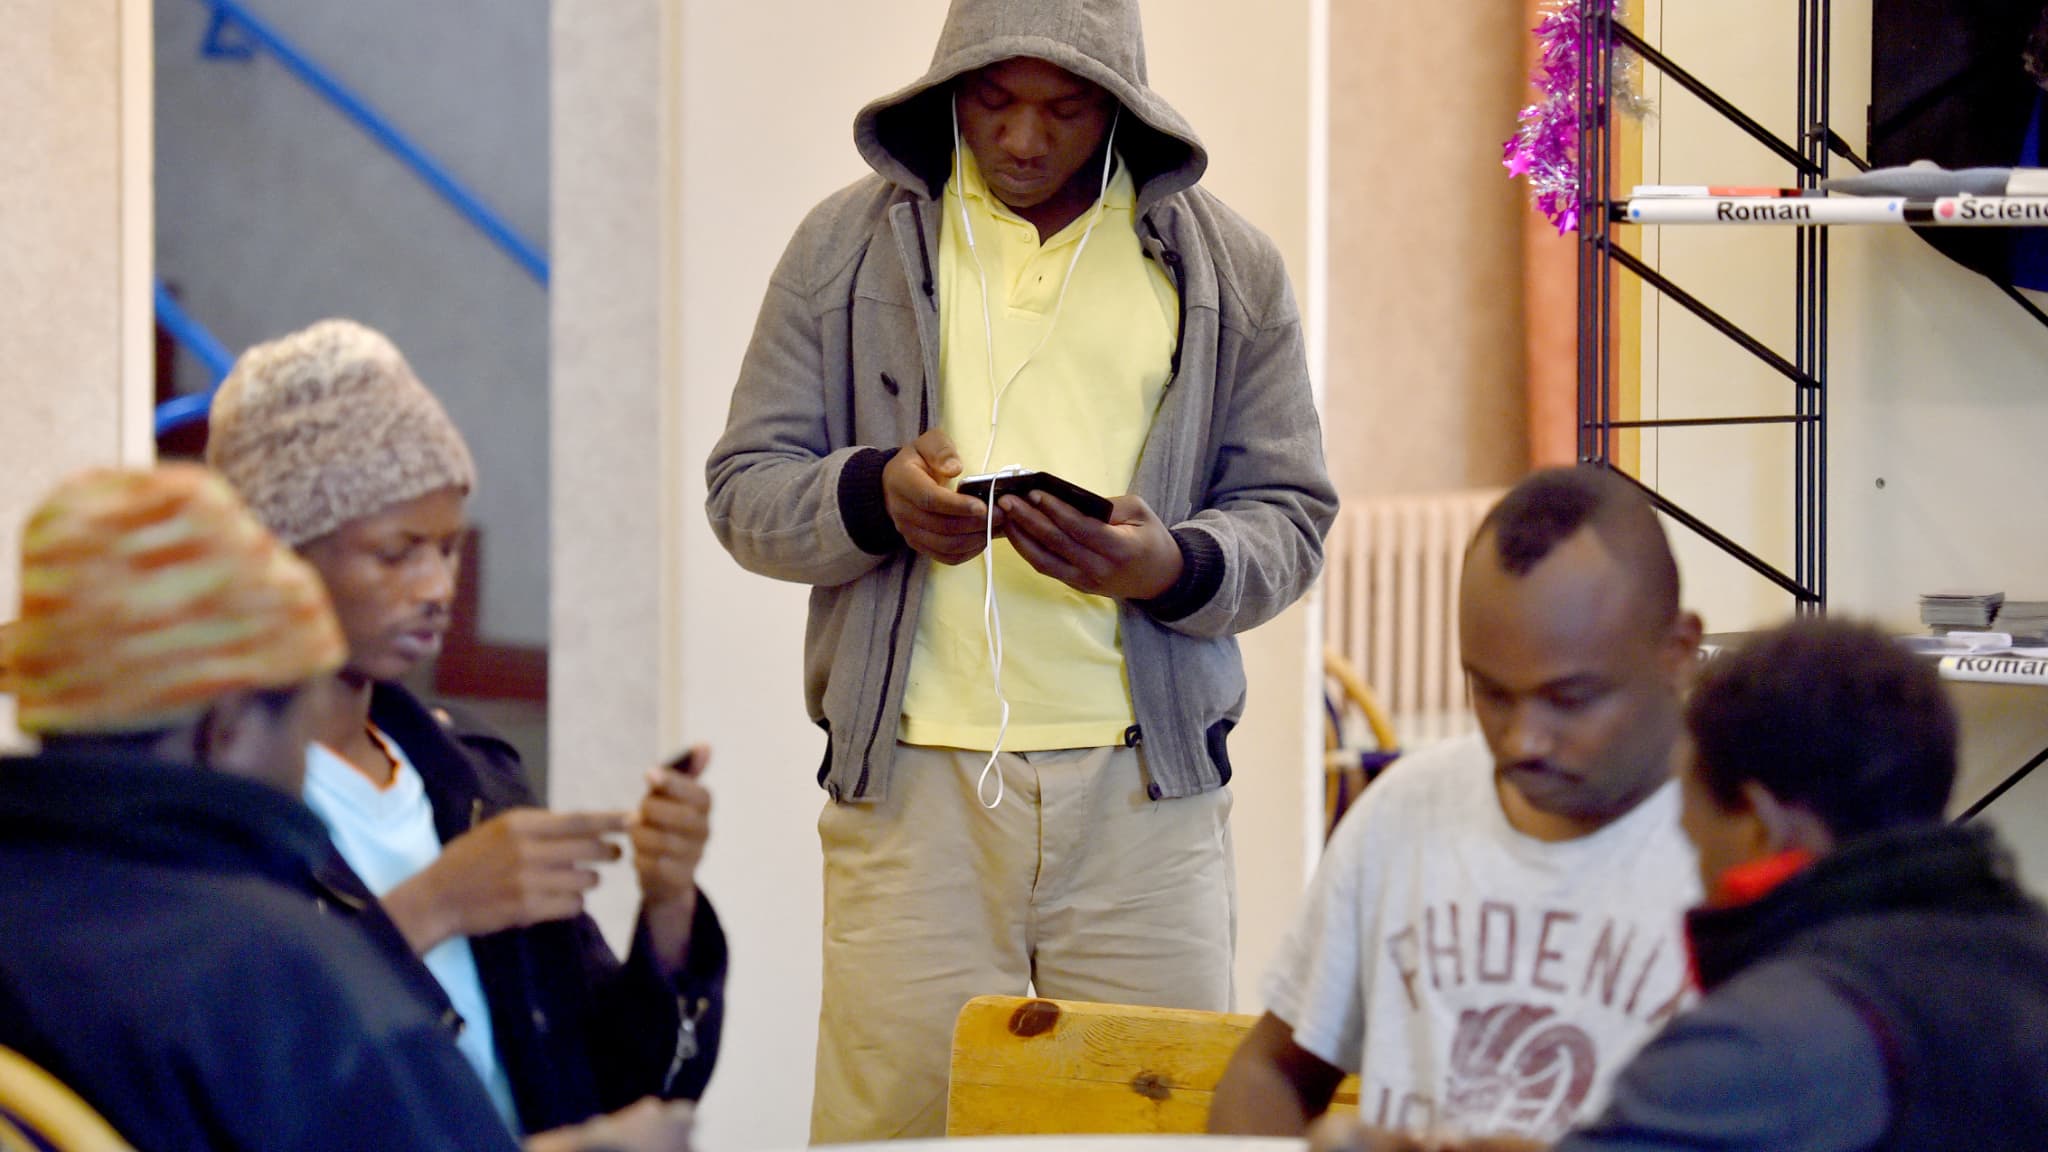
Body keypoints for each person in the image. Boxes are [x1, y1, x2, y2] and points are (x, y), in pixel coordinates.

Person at [705, 0, 1337, 1139]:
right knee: (892, 1135)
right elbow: (742, 489)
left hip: (1147, 802)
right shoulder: (841, 249)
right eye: (994, 103)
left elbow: (1290, 517)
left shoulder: (1228, 267)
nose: (1025, 139)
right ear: (946, 89)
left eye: (1065, 107)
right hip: (910, 796)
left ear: (1123, 106)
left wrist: (1170, 566)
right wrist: (870, 497)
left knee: (1168, 1129)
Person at [0, 464, 693, 1152]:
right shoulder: (277, 973)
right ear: (230, 726)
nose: (434, 587)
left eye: (449, 549)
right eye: (303, 718)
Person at [205, 319, 725, 1135]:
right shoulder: (216, 801)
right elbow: (227, 1064)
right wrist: (433, 906)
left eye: (449, 549)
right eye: (397, 551)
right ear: (279, 555)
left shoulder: (470, 778)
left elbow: (618, 1080)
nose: (437, 585)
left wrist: (667, 903)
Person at [1308, 616, 2048, 1152]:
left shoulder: (1765, 1043)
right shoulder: (2021, 954)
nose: (1689, 857)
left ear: (1759, 822)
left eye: (1690, 822)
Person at [1210, 466, 1705, 1142]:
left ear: (1678, 652)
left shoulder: (1747, 849)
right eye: (1493, 693)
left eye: (1570, 699)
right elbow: (1271, 1072)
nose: (1523, 739)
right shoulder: (1406, 811)